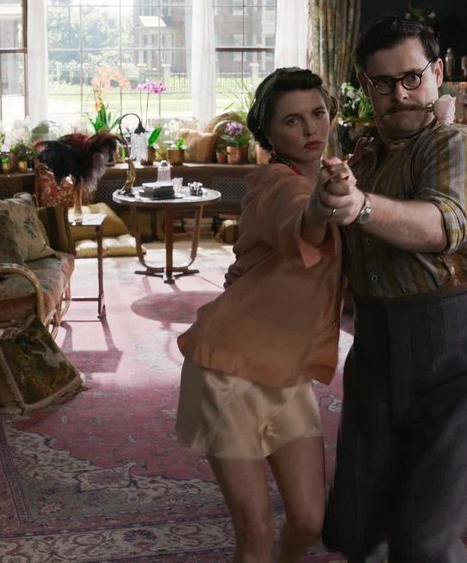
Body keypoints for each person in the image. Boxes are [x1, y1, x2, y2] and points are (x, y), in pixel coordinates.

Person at [317, 16, 467, 562]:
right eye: (383, 83)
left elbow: (440, 226)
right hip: (378, 348)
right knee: (357, 527)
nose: (400, 94)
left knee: (423, 541)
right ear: (366, 87)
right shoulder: (366, 157)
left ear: (438, 72)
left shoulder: (459, 144)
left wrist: (360, 207)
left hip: (463, 350)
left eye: (412, 77)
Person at [176, 67, 342, 563]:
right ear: (269, 134)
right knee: (256, 533)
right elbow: (303, 220)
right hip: (226, 368)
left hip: (285, 371)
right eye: (293, 120)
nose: (310, 129)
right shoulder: (275, 183)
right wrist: (323, 205)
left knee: (310, 521)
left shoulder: (330, 179)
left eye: (318, 113)